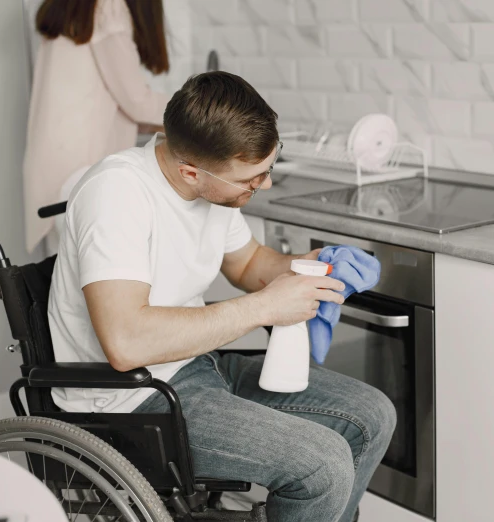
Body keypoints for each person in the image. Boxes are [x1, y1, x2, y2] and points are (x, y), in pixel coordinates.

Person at [47, 71, 397, 522]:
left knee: (372, 415)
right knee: (321, 463)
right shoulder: (117, 195)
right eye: (252, 179)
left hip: (195, 365)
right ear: (191, 172)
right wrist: (266, 307)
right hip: (129, 400)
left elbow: (250, 265)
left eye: (269, 168)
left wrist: (314, 263)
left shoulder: (214, 188)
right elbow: (126, 342)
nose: (264, 185)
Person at [23, 0, 171, 254]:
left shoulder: (72, 8)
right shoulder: (107, 8)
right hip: (83, 172)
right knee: (96, 277)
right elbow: (135, 101)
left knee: (63, 279)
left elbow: (105, 101)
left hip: (53, 168)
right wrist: (197, 107)